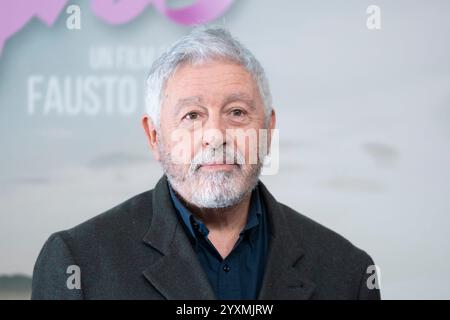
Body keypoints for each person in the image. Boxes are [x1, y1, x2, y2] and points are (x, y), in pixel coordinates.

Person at [31, 26, 380, 300]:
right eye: (192, 115)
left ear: (269, 129)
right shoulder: (76, 263)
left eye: (237, 112)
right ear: (155, 137)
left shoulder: (348, 273)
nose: (215, 135)